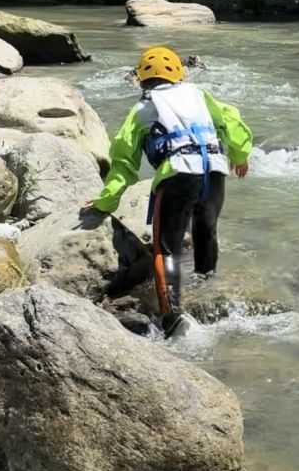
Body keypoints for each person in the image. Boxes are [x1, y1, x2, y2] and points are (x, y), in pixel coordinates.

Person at [84, 45, 253, 338]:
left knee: (167, 249)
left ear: (140, 79)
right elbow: (232, 120)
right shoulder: (199, 94)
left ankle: (173, 318)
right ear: (179, 74)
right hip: (214, 169)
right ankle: (206, 288)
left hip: (178, 174)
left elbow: (124, 161)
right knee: (206, 231)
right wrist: (240, 156)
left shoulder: (142, 109)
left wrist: (106, 201)